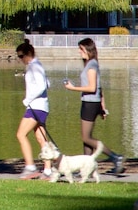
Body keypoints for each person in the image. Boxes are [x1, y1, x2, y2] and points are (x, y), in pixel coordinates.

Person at [62, 37, 125, 174]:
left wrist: (72, 88)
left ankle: (115, 157)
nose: (79, 52)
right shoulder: (92, 64)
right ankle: (86, 168)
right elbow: (99, 88)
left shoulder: (91, 65)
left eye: (81, 49)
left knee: (86, 138)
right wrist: (103, 107)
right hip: (92, 103)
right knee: (87, 138)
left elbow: (92, 88)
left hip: (90, 103)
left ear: (88, 50)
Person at [15, 40, 53, 179]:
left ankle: (30, 167)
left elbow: (42, 86)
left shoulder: (34, 67)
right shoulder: (37, 65)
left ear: (29, 54)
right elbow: (48, 83)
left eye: (21, 56)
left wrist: (28, 99)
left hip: (36, 107)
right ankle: (48, 171)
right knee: (40, 137)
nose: (20, 59)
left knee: (20, 134)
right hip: (41, 106)